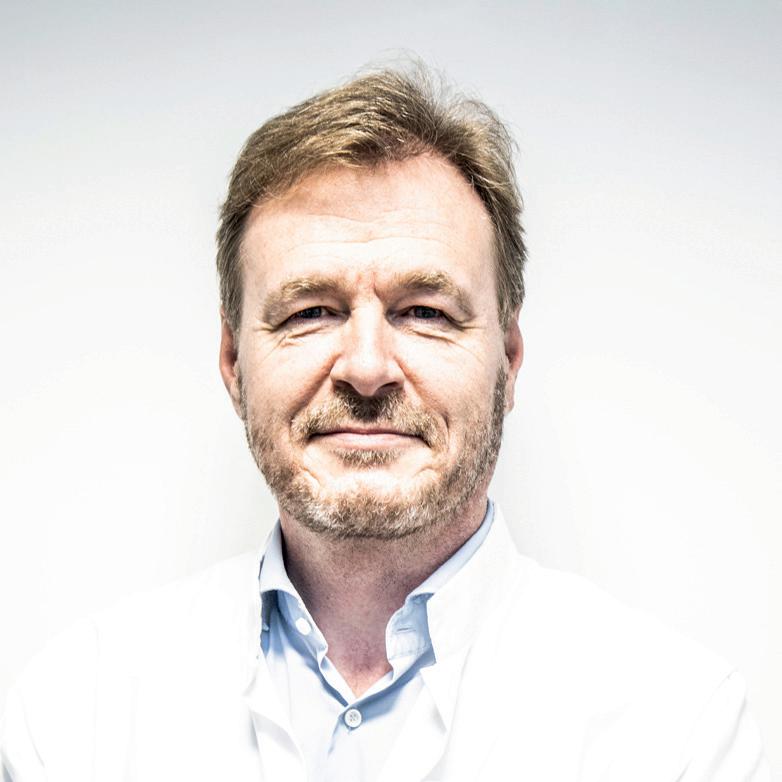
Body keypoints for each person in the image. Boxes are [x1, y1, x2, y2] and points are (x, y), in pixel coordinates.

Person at [1, 65, 770, 782]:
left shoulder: (680, 731)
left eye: (425, 312)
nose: (366, 368)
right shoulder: (74, 716)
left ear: (508, 361)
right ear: (234, 363)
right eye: (310, 312)